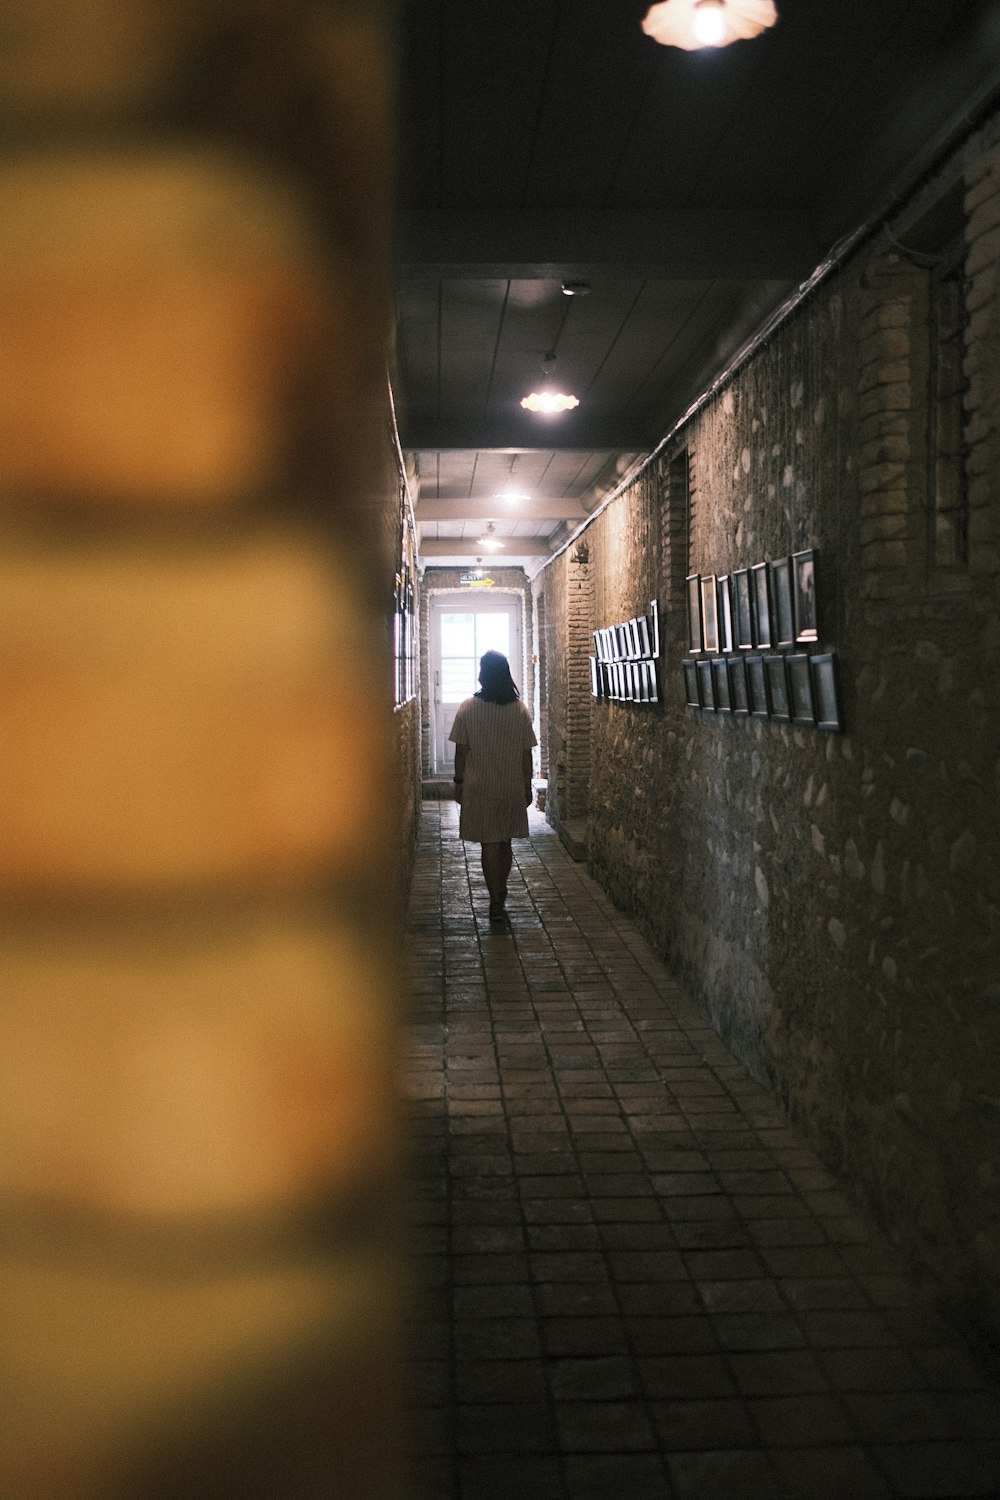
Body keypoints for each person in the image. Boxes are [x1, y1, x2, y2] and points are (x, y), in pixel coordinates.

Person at [449, 650, 537, 923]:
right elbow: (526, 753)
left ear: (482, 673)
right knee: (505, 839)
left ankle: (494, 896)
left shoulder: (467, 708)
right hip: (510, 784)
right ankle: (502, 891)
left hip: (480, 785)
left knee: (489, 841)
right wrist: (527, 785)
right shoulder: (519, 709)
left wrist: (459, 782)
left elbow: (461, 751)